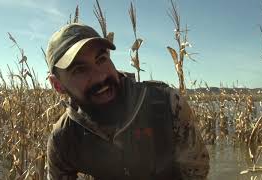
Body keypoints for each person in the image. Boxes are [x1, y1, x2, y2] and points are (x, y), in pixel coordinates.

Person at [46, 22, 210, 180]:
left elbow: (196, 173)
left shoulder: (166, 104)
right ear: (57, 85)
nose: (100, 76)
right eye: (79, 69)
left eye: (101, 59)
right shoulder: (63, 138)